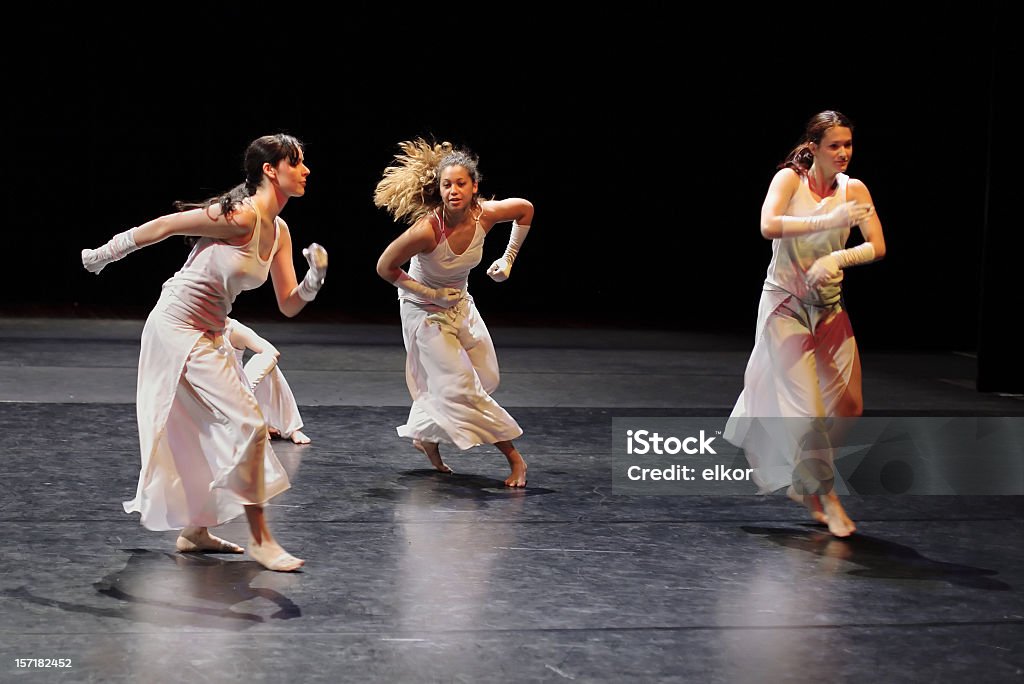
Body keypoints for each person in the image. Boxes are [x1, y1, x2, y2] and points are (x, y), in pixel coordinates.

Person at [81, 133, 328, 571]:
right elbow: (166, 225)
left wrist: (313, 280)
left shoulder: (280, 230)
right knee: (251, 424)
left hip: (211, 331)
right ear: (271, 170)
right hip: (177, 327)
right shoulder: (240, 216)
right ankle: (261, 540)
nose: (306, 170)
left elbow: (289, 302)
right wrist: (104, 254)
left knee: (199, 431)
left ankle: (195, 531)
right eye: (297, 163)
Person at [724, 110, 886, 538]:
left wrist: (838, 256)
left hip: (830, 308)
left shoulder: (854, 189)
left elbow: (877, 245)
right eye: (835, 145)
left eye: (848, 144)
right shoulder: (789, 180)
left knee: (849, 408)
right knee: (810, 413)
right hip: (786, 306)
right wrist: (826, 221)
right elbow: (769, 226)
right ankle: (825, 495)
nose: (844, 153)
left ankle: (808, 477)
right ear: (813, 147)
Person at [373, 138, 533, 487]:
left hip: (460, 304)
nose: (454, 190)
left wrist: (508, 259)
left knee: (486, 378)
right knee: (463, 389)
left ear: (475, 187)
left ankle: (426, 436)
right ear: (439, 189)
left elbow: (525, 209)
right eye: (447, 184)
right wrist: (430, 293)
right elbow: (385, 267)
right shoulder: (428, 230)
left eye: (461, 183)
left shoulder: (485, 215)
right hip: (423, 313)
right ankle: (515, 459)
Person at [224, 316, 311, 445]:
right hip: (209, 394)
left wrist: (246, 390)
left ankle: (291, 428)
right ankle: (259, 422)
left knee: (265, 364)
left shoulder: (234, 329)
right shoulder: (192, 329)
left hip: (237, 394)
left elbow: (272, 352)